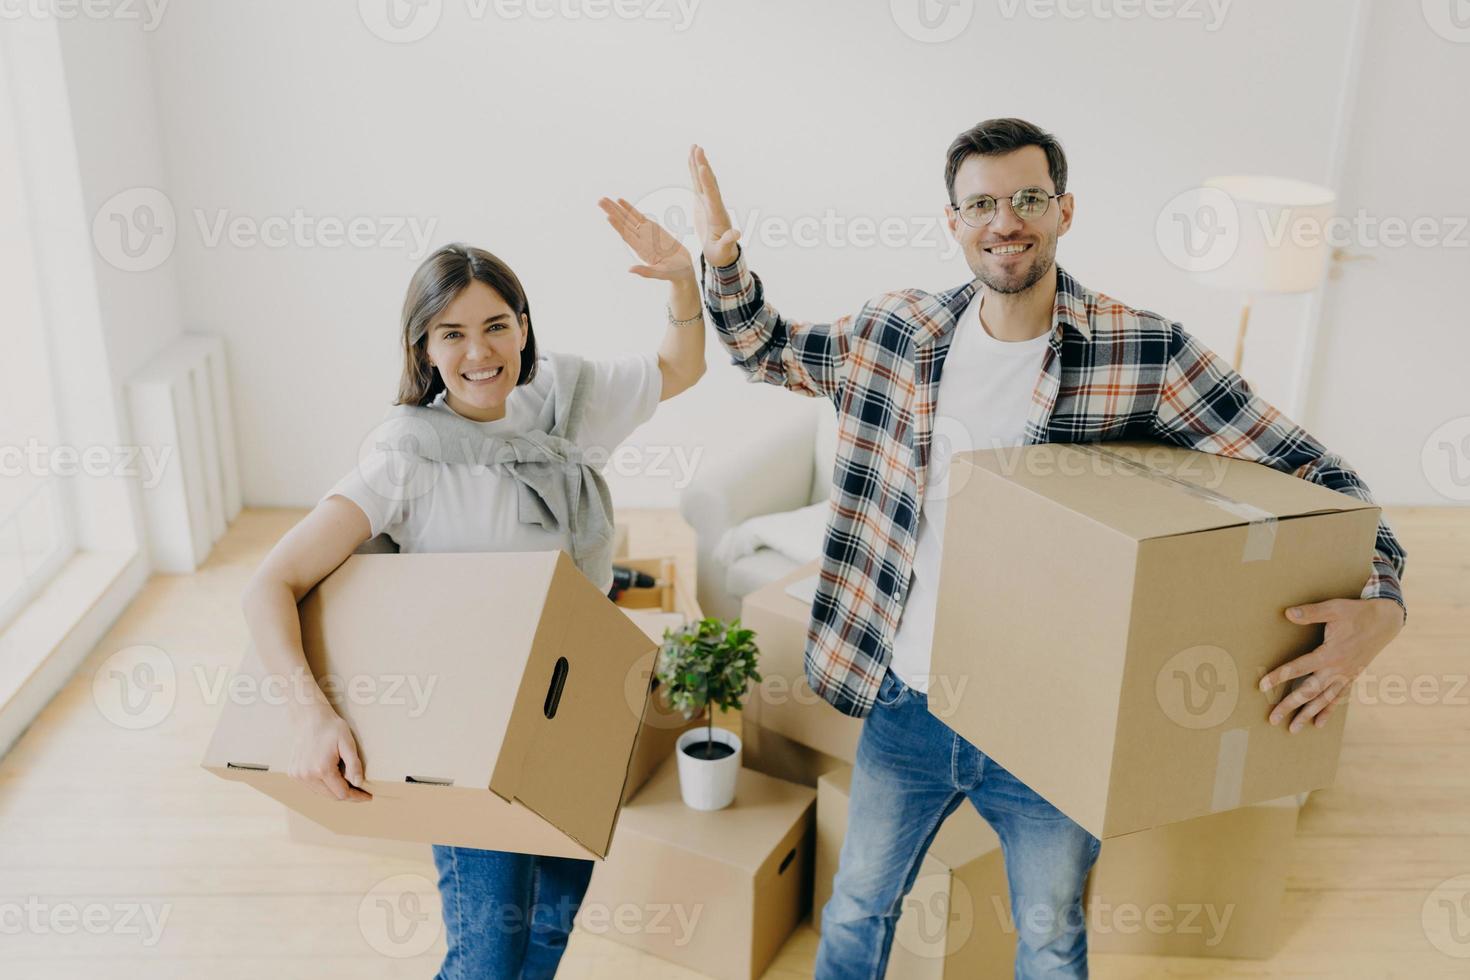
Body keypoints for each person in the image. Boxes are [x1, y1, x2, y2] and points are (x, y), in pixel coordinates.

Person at [685, 123, 1407, 979]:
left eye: (1028, 198)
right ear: (952, 222)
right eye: (982, 203)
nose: (1007, 221)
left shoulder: (1142, 350)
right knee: (856, 912)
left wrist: (1385, 598)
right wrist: (721, 259)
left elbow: (1317, 472)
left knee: (1053, 937)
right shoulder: (895, 333)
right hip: (906, 704)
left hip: (1053, 727)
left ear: (1065, 209)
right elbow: (766, 349)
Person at [240, 198, 704, 979]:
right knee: (487, 960)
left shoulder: (567, 405)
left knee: (551, 929)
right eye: (451, 333)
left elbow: (679, 368)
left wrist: (683, 281)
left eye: (496, 325)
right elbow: (270, 583)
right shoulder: (407, 455)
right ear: (423, 347)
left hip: (575, 712)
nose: (479, 352)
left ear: (524, 325)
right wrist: (309, 716)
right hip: (470, 730)